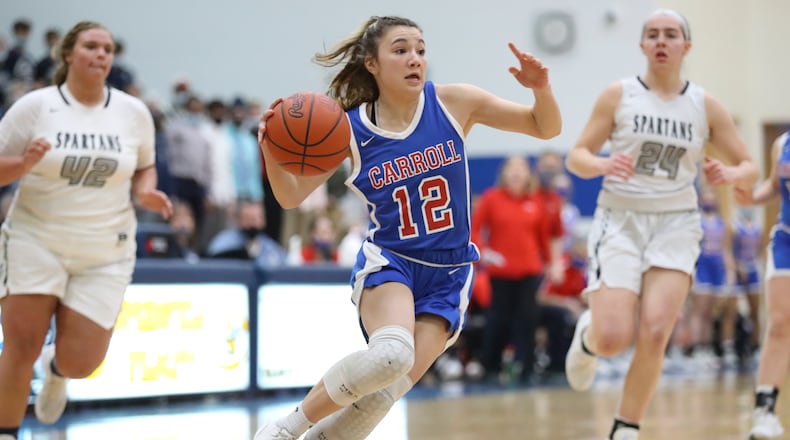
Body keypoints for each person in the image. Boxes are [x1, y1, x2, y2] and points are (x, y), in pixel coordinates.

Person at [254, 15, 561, 440]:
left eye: (420, 48)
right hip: (392, 261)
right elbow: (290, 196)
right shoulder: (349, 130)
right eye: (400, 50)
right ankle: (284, 429)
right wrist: (270, 144)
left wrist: (540, 88)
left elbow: (545, 126)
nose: (414, 58)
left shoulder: (454, 103)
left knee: (384, 393)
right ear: (372, 64)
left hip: (450, 271)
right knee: (391, 356)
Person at [563, 9, 758, 440]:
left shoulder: (704, 105)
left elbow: (749, 166)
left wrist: (732, 175)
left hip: (676, 223)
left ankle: (625, 427)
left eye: (671, 35)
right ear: (642, 45)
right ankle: (590, 338)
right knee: (614, 337)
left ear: (686, 46)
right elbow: (576, 156)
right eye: (652, 34)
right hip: (621, 219)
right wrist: (600, 163)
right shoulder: (619, 95)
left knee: (655, 330)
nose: (661, 41)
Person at [0, 21, 172, 439]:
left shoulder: (133, 113)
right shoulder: (35, 106)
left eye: (108, 49)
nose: (101, 55)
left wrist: (146, 192)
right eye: (91, 46)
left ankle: (55, 369)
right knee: (20, 347)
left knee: (84, 362)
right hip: (35, 238)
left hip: (105, 249)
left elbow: (145, 165)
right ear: (67, 55)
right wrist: (22, 166)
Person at [472, 155, 550, 383]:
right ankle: (490, 367)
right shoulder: (491, 199)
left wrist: (550, 263)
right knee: (498, 320)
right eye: (512, 168)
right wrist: (484, 252)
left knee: (528, 320)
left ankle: (527, 368)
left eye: (521, 168)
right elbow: (475, 229)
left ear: (528, 174)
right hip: (500, 273)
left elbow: (543, 237)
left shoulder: (536, 202)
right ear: (504, 173)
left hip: (529, 272)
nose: (516, 173)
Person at [746, 131, 790, 439]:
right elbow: (774, 187)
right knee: (779, 323)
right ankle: (765, 412)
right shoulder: (783, 143)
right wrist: (750, 196)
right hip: (786, 240)